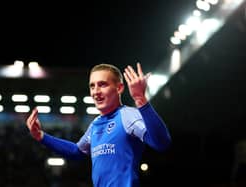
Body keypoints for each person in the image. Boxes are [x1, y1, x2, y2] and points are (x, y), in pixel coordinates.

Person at [26, 63, 171, 187]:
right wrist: (41, 136)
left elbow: (162, 143)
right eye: (92, 86)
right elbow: (77, 152)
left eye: (102, 84)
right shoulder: (95, 124)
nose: (96, 92)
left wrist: (141, 100)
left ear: (119, 88)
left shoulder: (128, 115)